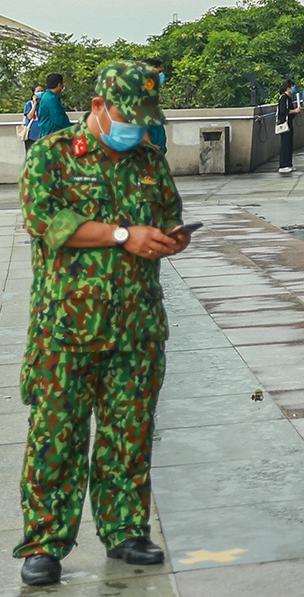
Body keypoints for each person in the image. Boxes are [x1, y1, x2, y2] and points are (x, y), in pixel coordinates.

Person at [15, 60, 186, 587]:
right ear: (98, 106)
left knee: (129, 435)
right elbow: (45, 222)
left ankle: (127, 530)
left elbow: (168, 213)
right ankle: (44, 544)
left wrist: (172, 237)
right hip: (66, 328)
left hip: (137, 326)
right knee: (56, 437)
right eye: (128, 116)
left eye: (143, 117)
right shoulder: (52, 155)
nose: (135, 127)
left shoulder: (149, 160)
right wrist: (122, 235)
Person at [26, 76, 69, 146]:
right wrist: (75, 128)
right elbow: (59, 120)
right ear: (59, 85)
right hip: (54, 138)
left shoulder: (47, 97)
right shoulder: (51, 99)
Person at [275, 80, 297, 174]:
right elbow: (283, 111)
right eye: (292, 87)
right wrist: (294, 111)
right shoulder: (283, 98)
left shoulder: (289, 98)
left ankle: (288, 163)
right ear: (288, 88)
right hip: (285, 123)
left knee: (289, 144)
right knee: (285, 144)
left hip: (289, 123)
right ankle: (283, 165)